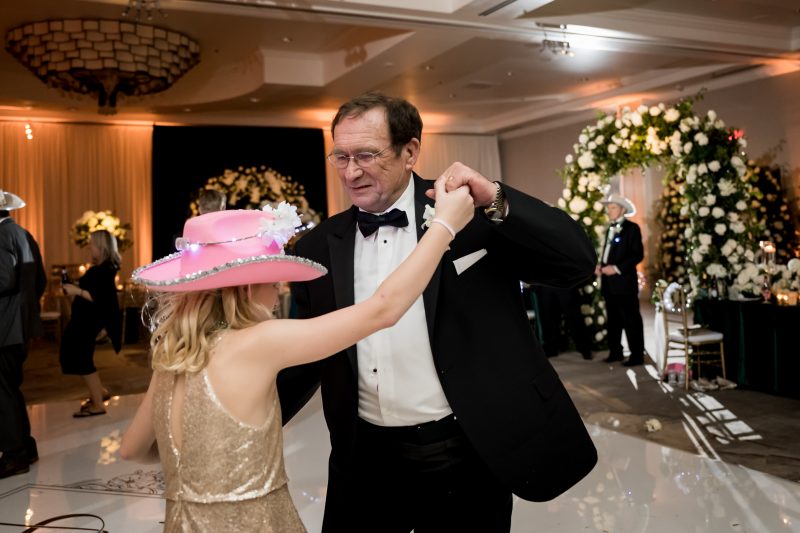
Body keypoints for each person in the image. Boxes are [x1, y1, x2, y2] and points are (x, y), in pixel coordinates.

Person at [278, 92, 599, 532]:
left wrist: (498, 198)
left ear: (410, 151)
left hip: (464, 450)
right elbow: (307, 350)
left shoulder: (469, 216)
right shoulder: (318, 247)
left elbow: (577, 263)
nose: (351, 172)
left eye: (367, 155)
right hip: (363, 459)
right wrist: (237, 416)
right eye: (341, 156)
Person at [119, 183, 474, 530]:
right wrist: (444, 226)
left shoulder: (174, 355)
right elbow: (382, 311)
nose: (277, 296)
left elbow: (132, 449)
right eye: (273, 283)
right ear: (245, 288)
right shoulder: (261, 342)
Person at [0, 190, 46, 479]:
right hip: (20, 326)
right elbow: (39, 281)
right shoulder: (22, 233)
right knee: (10, 388)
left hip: (4, 326)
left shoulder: (3, 236)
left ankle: (15, 454)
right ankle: (25, 447)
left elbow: (4, 279)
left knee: (3, 391)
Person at [60, 230, 122, 417]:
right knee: (78, 357)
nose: (89, 247)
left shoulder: (103, 270)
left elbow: (100, 297)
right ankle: (99, 393)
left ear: (101, 247)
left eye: (92, 244)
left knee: (83, 360)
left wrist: (76, 291)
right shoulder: (105, 267)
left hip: (88, 321)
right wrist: (76, 289)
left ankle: (98, 404)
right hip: (85, 319)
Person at [596, 193, 646, 366]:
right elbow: (607, 253)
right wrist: (600, 265)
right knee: (614, 321)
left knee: (631, 320)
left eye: (613, 207)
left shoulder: (632, 229)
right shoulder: (609, 228)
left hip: (624, 283)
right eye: (608, 208)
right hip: (609, 284)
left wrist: (616, 268)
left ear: (622, 210)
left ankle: (637, 355)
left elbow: (637, 254)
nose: (609, 211)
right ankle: (615, 352)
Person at [534, 284, 593, 360]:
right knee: (548, 318)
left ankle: (584, 348)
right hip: (544, 284)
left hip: (564, 283)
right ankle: (551, 348)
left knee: (574, 317)